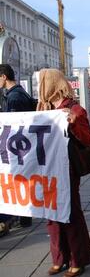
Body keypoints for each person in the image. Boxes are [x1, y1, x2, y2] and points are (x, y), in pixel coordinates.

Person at [36, 68, 90, 277]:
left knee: (70, 213)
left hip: (67, 169)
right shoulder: (43, 108)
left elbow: (87, 139)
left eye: (42, 82)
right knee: (52, 214)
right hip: (47, 170)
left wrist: (74, 122)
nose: (40, 87)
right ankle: (59, 258)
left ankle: (78, 258)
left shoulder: (74, 109)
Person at [0, 64, 34, 236]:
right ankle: (24, 216)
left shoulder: (14, 97)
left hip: (17, 146)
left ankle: (19, 216)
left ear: (4, 77)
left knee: (17, 181)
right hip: (23, 146)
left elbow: (12, 125)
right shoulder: (20, 93)